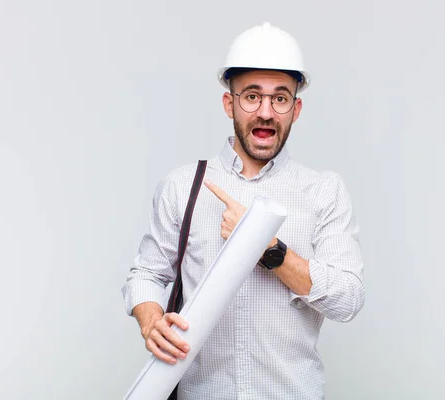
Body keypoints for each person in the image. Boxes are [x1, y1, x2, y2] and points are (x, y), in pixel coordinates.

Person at [121, 21, 365, 400]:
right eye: (252, 96)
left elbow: (348, 299)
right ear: (229, 102)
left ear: (296, 109)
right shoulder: (183, 186)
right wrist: (151, 321)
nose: (266, 112)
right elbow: (145, 275)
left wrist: (266, 247)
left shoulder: (323, 192)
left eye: (280, 98)